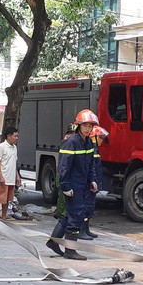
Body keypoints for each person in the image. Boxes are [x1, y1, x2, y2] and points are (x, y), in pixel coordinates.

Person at [46, 109, 98, 260]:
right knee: (76, 216)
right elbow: (63, 167)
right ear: (79, 125)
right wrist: (66, 186)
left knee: (70, 216)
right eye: (86, 125)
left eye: (90, 126)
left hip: (82, 184)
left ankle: (53, 242)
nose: (88, 129)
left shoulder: (88, 142)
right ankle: (70, 251)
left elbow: (90, 165)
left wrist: (92, 179)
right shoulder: (71, 142)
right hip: (73, 184)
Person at [79, 125, 109, 240]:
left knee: (90, 208)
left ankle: (86, 230)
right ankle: (81, 230)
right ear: (94, 137)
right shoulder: (91, 150)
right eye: (100, 138)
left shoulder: (94, 149)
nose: (102, 140)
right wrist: (93, 182)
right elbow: (91, 169)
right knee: (86, 207)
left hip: (93, 184)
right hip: (89, 185)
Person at [0, 127, 21, 220]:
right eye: (15, 136)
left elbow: (14, 163)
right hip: (3, 177)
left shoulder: (14, 147)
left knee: (6, 200)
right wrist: (0, 177)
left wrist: (17, 177)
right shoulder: (1, 146)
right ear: (8, 136)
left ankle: (4, 217)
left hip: (10, 178)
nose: (17, 138)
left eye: (17, 136)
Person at [53, 124, 76, 220]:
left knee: (65, 196)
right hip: (63, 173)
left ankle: (62, 212)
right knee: (62, 196)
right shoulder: (66, 143)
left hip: (67, 173)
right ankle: (61, 214)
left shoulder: (69, 142)